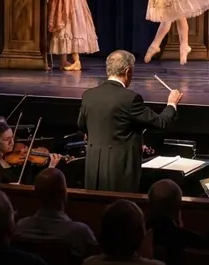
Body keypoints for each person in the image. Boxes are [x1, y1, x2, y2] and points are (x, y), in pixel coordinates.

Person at [78, 49, 182, 193]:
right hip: (119, 170)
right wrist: (172, 104)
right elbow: (160, 123)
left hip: (93, 169)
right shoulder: (130, 99)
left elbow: (82, 126)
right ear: (127, 71)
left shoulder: (88, 95)